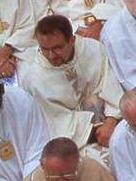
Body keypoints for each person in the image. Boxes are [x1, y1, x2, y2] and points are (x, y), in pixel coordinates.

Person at [16, 14, 122, 157]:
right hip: (83, 138)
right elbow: (57, 121)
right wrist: (98, 131)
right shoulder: (35, 78)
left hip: (114, 119)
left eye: (57, 48)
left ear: (72, 40)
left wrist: (111, 121)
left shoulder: (93, 50)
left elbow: (111, 86)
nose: (51, 56)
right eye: (45, 49)